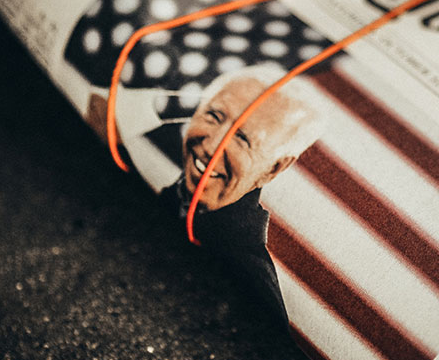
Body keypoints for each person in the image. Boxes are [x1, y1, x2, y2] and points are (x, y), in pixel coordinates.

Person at [94, 65, 326, 321]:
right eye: (214, 116)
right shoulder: (173, 194)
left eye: (242, 139)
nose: (212, 146)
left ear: (273, 168)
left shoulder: (252, 278)